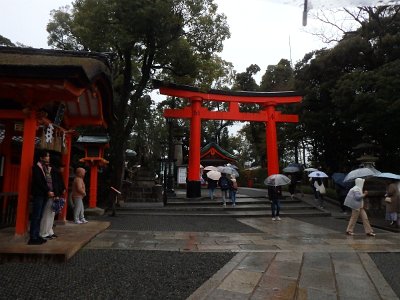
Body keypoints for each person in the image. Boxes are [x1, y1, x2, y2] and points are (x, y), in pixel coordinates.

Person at [28, 150, 54, 245]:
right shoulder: (36, 168)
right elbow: (39, 182)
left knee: (40, 216)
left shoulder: (45, 168)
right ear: (41, 157)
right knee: (36, 215)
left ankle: (37, 235)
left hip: (44, 194)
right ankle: (33, 237)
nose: (48, 157)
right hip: (39, 194)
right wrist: (48, 190)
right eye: (47, 156)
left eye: (48, 156)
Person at [39, 158, 66, 239]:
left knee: (51, 214)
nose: (63, 168)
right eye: (61, 166)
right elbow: (54, 184)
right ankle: (44, 232)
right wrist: (57, 194)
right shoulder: (53, 172)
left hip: (54, 195)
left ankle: (49, 231)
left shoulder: (55, 172)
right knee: (47, 214)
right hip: (52, 195)